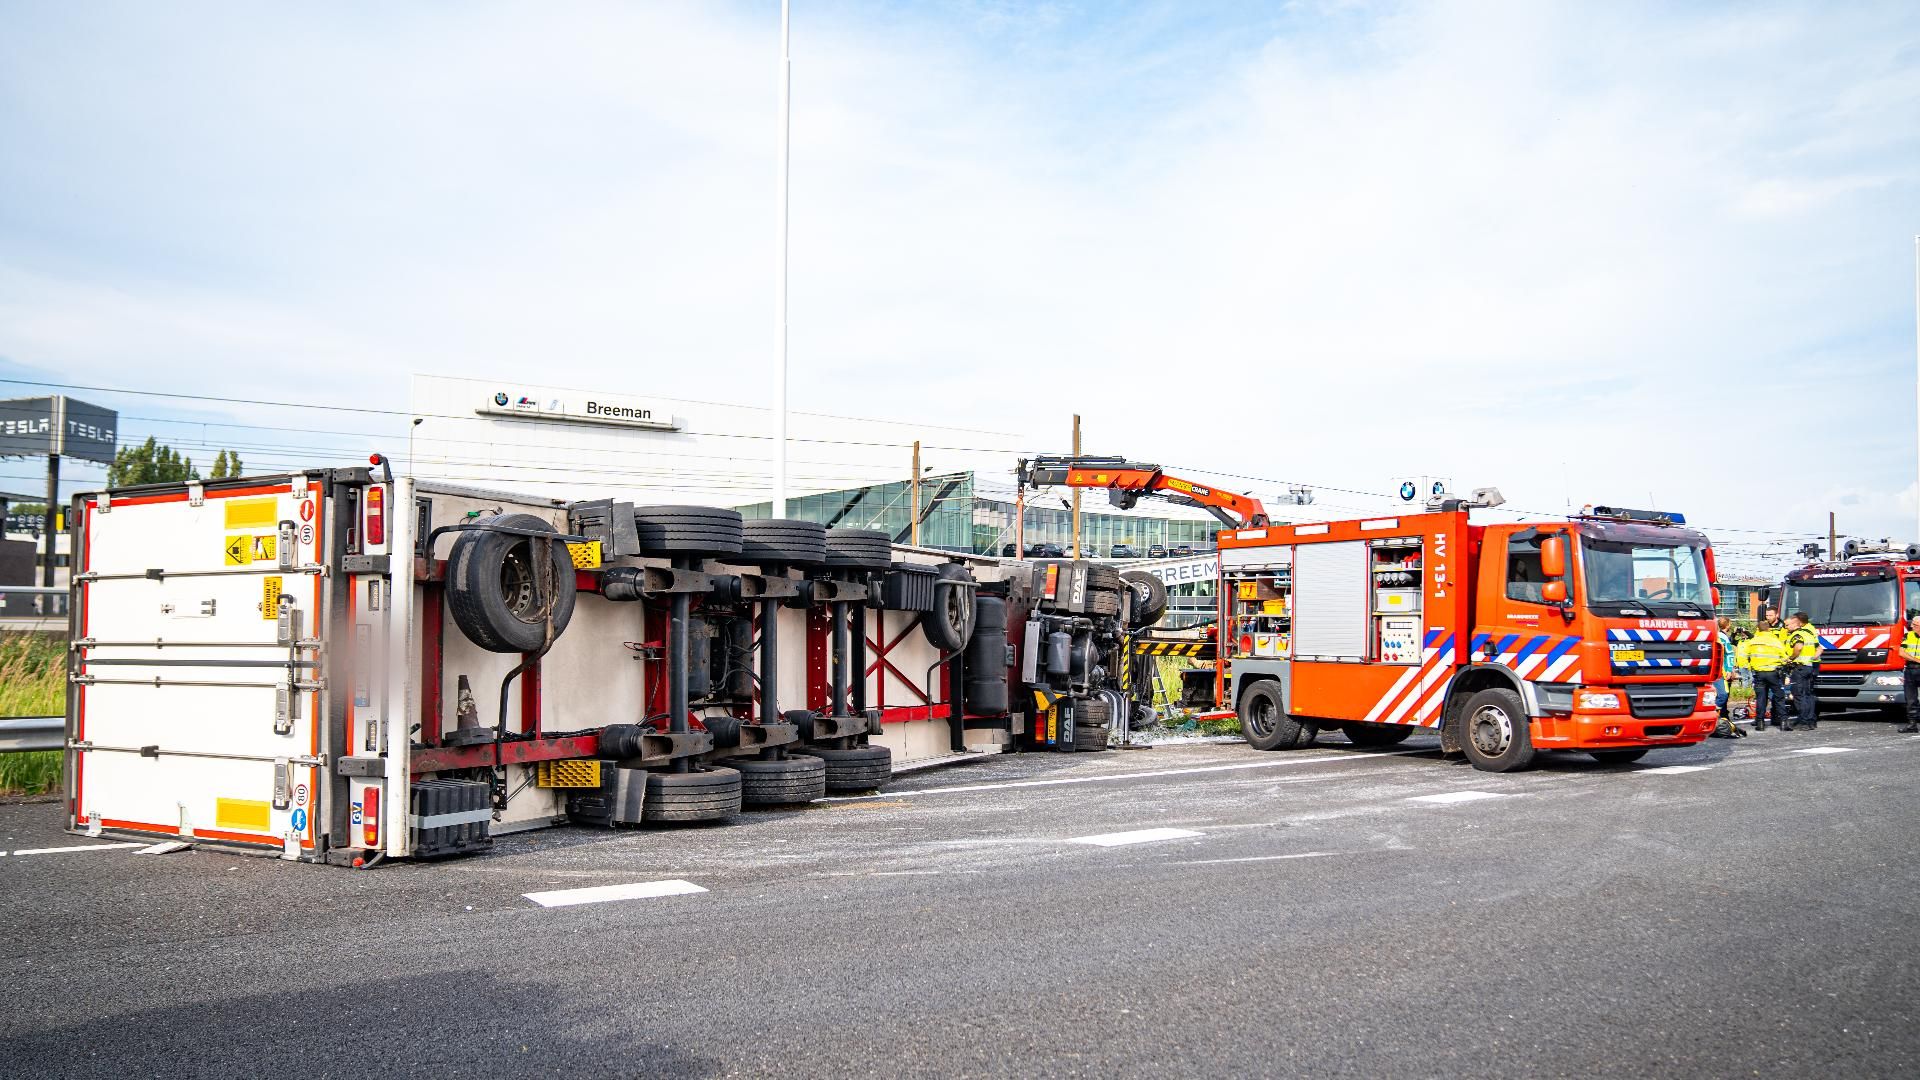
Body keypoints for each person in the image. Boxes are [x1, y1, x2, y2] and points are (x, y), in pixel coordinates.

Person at [1737, 622, 1790, 731]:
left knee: (1761, 698)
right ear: (1769, 629)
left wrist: (1749, 666)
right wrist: (1781, 665)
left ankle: (1760, 723)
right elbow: (1785, 657)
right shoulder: (1776, 641)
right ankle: (1783, 722)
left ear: (1758, 629)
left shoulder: (1752, 642)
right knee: (1779, 697)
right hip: (1774, 673)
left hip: (1759, 674)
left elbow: (1743, 657)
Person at [1783, 611, 1822, 731]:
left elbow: (1798, 648)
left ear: (1795, 624)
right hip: (1809, 666)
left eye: (1788, 625)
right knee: (1808, 695)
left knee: (1799, 695)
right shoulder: (1809, 633)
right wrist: (1812, 658)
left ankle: (1803, 721)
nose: (1786, 628)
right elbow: (1819, 648)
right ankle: (1810, 720)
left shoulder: (1797, 635)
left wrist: (1790, 658)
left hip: (1799, 667)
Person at [1710, 617, 1744, 738]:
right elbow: (1730, 654)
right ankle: (1715, 716)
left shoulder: (1720, 637)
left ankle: (1720, 719)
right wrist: (1730, 669)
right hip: (1718, 672)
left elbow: (1728, 654)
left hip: (1718, 671)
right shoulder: (1721, 636)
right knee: (1723, 694)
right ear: (1728, 625)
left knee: (1721, 695)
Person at [1900, 613, 1920, 734]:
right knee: (1911, 699)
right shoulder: (1908, 635)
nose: (1912, 626)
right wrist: (1917, 660)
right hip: (1911, 670)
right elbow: (1901, 652)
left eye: (1915, 625)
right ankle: (1912, 725)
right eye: (1912, 624)